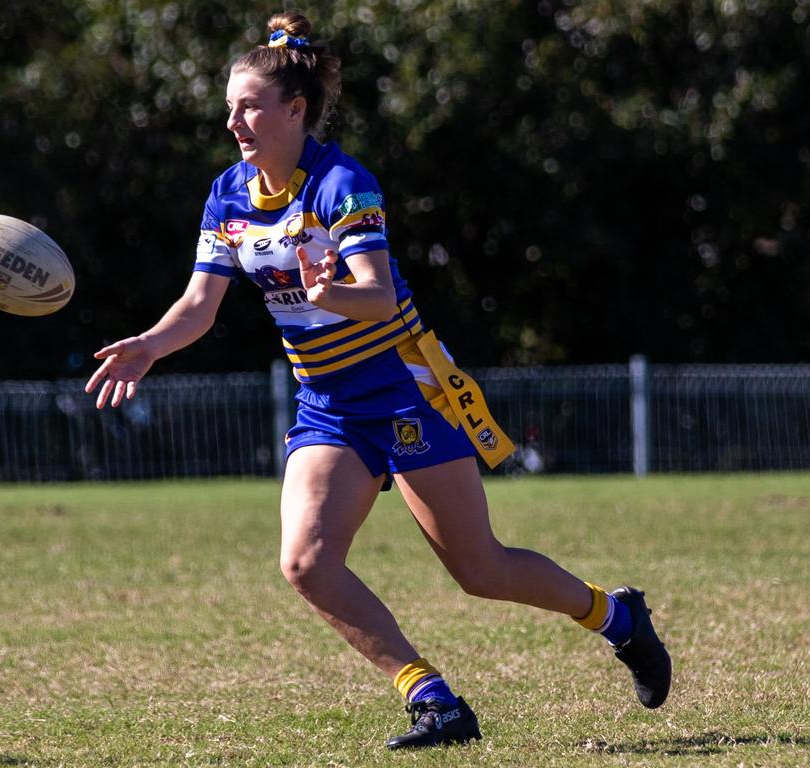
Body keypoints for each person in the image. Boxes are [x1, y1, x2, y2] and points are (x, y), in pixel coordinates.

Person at [85, 10, 671, 750]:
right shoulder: (229, 195)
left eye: (248, 106)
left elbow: (379, 294)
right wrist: (150, 344)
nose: (232, 120)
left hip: (404, 388)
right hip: (327, 404)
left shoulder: (342, 182)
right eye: (229, 106)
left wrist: (327, 292)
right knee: (305, 561)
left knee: (481, 569)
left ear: (294, 111)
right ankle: (432, 699)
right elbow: (199, 307)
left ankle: (618, 618)